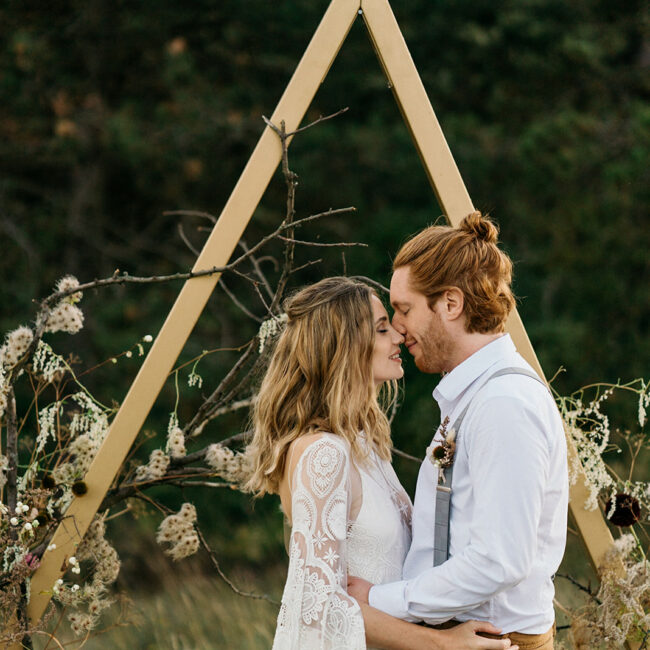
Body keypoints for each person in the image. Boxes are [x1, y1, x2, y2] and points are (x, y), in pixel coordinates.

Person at [246, 277, 518, 650]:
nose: (398, 337)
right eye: (381, 329)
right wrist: (445, 644)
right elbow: (319, 606)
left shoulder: (365, 446)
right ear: (343, 346)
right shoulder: (323, 453)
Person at [348, 212, 568, 650]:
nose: (396, 327)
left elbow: (498, 560)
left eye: (404, 309)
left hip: (498, 642)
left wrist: (379, 600)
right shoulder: (476, 398)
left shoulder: (504, 405)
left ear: (450, 304)